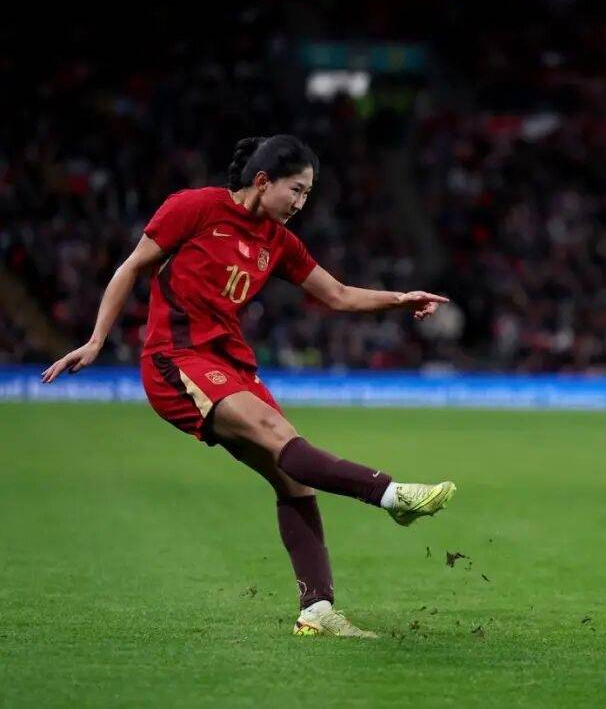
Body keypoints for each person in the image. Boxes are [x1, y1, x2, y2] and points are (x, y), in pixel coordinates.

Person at [42, 135, 457, 637]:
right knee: (278, 435)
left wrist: (400, 299)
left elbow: (338, 294)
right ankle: (390, 495)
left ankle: (317, 611)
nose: (301, 204)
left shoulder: (278, 242)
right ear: (262, 181)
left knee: (293, 479)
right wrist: (96, 340)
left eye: (308, 194)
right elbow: (132, 267)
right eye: (296, 190)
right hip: (177, 360)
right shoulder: (195, 208)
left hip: (232, 364)